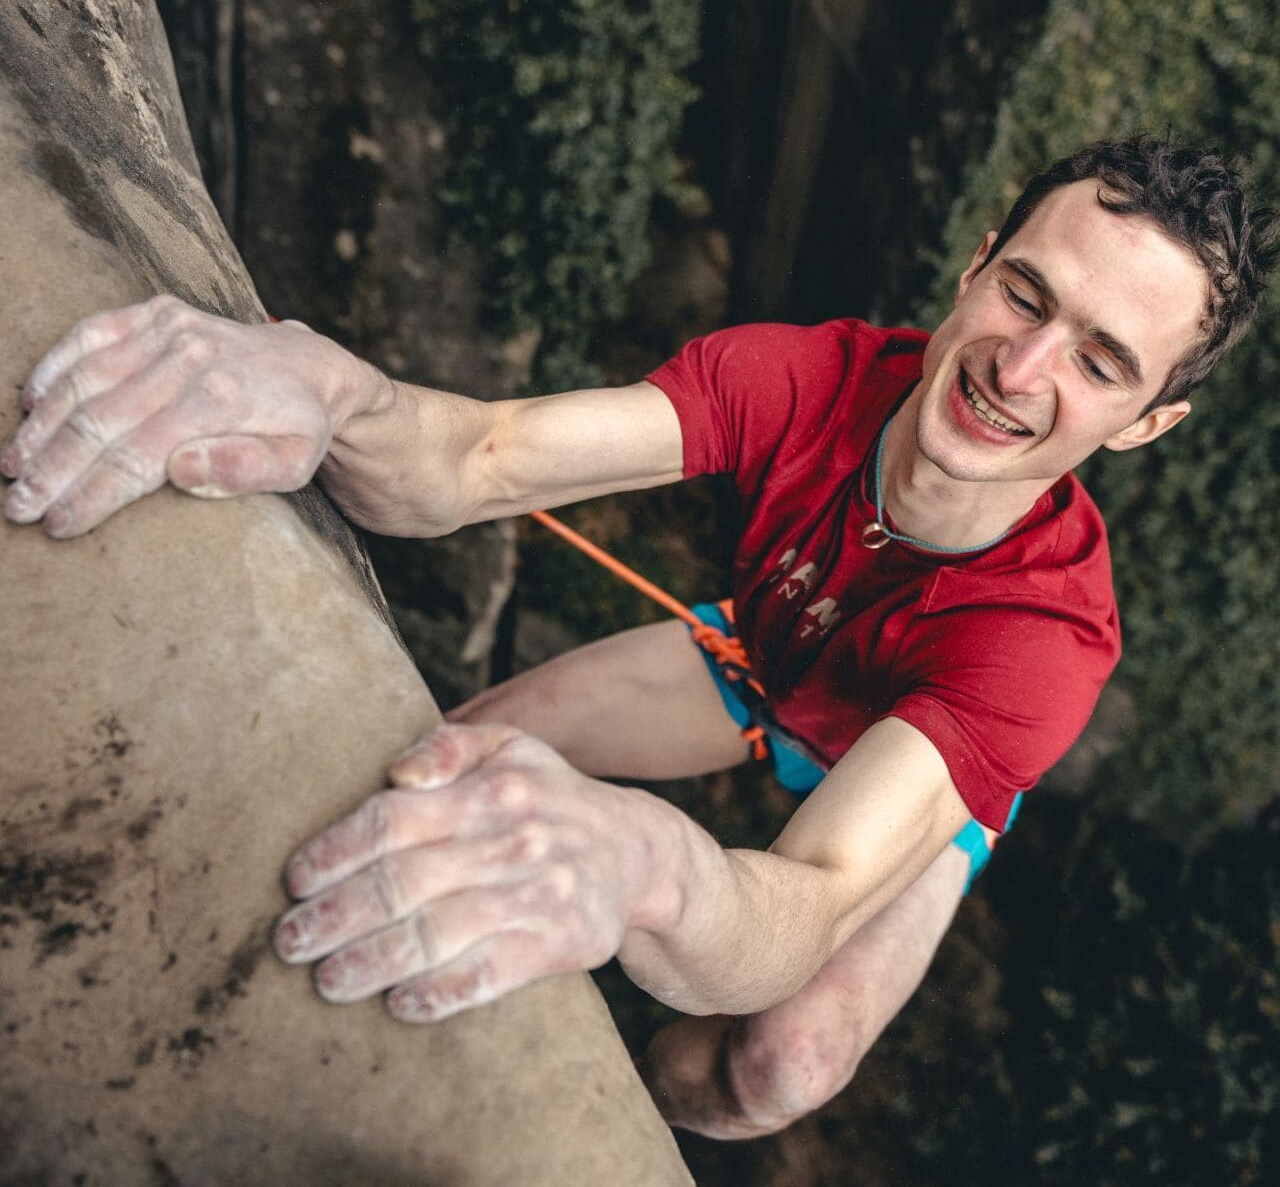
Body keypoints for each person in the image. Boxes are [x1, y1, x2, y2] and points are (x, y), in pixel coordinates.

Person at [3, 137, 1270, 1140]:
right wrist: (333, 394)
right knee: (456, 754)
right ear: (975, 262)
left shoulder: (1041, 639)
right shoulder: (803, 378)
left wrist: (647, 869)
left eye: (1101, 363)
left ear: (1143, 425)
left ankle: (616, 1084)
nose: (1022, 366)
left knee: (778, 1060)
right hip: (768, 661)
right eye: (1025, 293)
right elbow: (476, 456)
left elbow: (814, 896)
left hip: (916, 769)